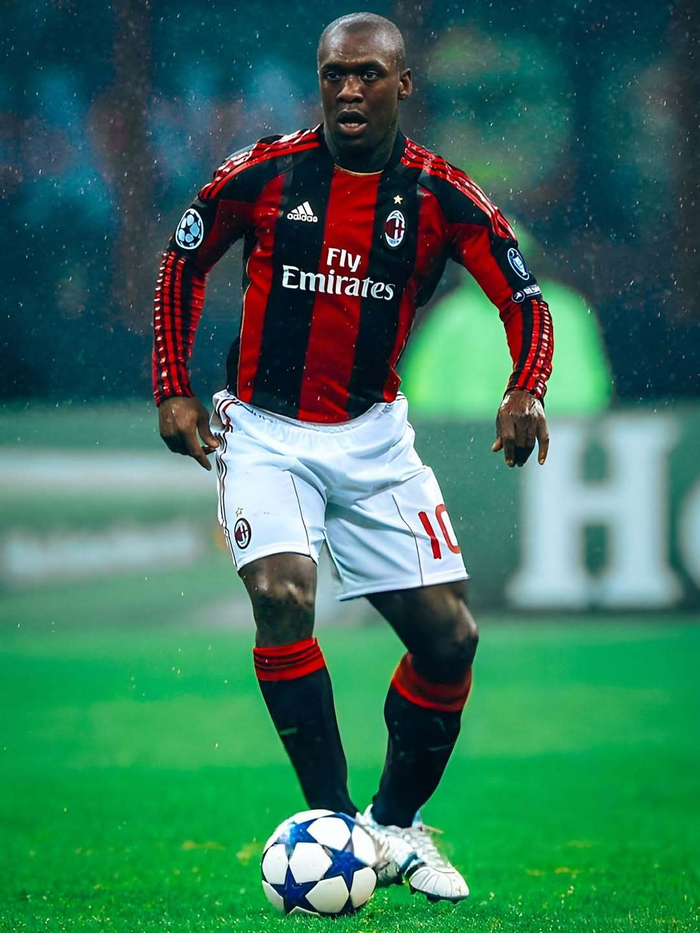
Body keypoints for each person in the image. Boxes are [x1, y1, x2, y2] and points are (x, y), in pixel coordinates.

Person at [153, 12, 553, 903]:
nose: (349, 90)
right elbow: (183, 260)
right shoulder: (265, 173)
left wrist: (526, 386)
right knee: (282, 594)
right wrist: (172, 386)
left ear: (403, 84)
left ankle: (395, 824)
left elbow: (523, 297)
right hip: (263, 431)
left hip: (373, 437)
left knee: (450, 640)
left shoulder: (442, 195)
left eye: (369, 74)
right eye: (334, 74)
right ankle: (337, 826)